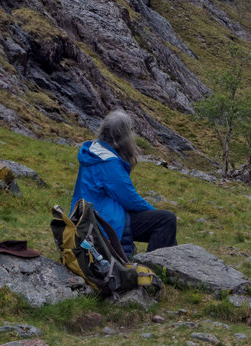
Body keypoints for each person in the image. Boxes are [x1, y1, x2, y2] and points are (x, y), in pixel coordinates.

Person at [72, 109, 177, 258]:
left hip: (87, 217)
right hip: (103, 222)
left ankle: (172, 264)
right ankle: (155, 267)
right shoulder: (109, 163)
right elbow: (129, 199)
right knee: (166, 220)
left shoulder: (94, 151)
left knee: (165, 226)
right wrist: (153, 211)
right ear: (124, 136)